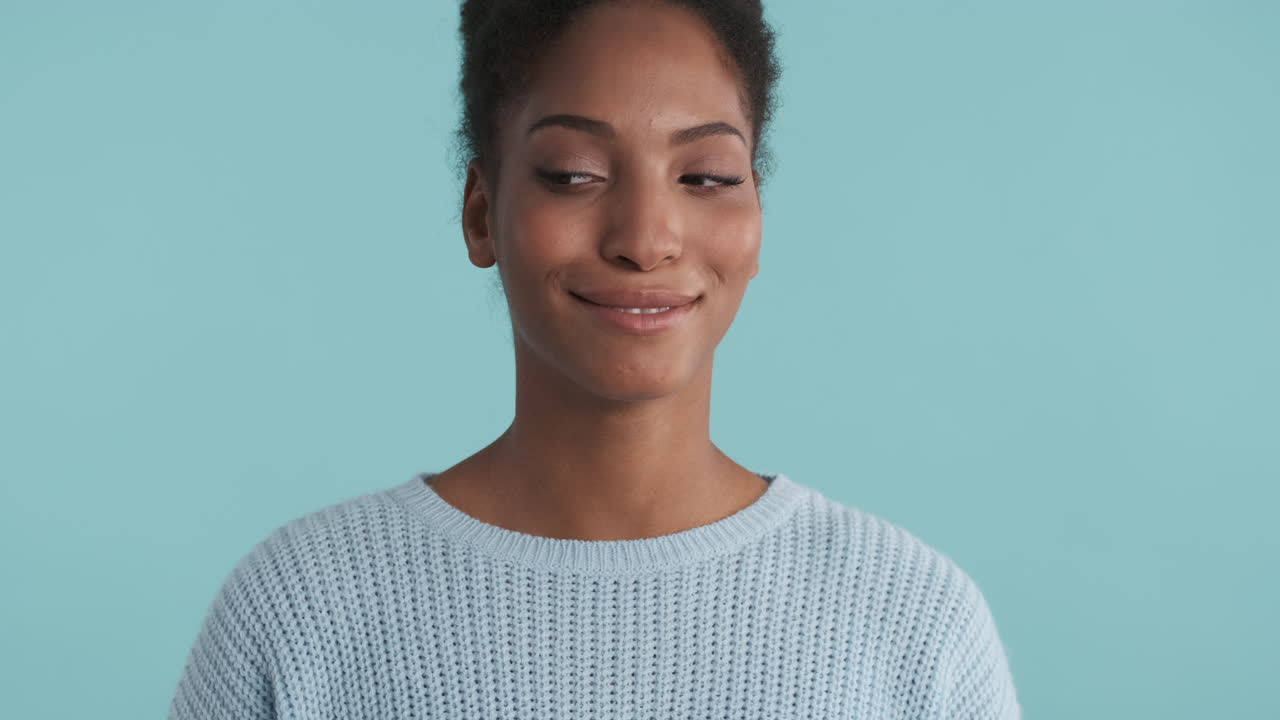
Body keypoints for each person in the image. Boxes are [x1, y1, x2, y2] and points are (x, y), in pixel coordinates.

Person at [167, 1, 1023, 718]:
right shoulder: (298, 610)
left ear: (758, 218)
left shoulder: (913, 622)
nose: (646, 239)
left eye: (707, 177)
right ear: (480, 215)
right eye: (574, 174)